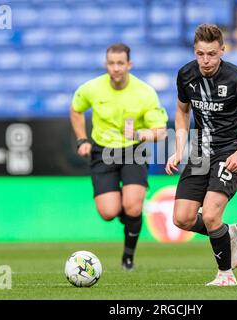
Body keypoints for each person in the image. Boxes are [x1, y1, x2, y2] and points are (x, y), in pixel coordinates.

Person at [165, 24, 237, 286]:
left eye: (211, 54)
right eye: (200, 54)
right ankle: (227, 233)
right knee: (182, 218)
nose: (206, 60)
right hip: (200, 150)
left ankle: (226, 275)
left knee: (210, 214)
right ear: (195, 52)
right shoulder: (186, 75)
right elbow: (182, 111)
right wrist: (179, 149)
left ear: (222, 50)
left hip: (229, 149)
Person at [70, 43, 168, 271]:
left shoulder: (144, 92)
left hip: (133, 150)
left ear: (129, 65)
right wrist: (82, 139)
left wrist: (144, 133)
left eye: (120, 63)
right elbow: (76, 109)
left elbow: (160, 130)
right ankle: (128, 209)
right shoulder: (92, 88)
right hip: (102, 151)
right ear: (106, 64)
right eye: (111, 63)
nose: (115, 68)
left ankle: (128, 257)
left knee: (133, 207)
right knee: (108, 212)